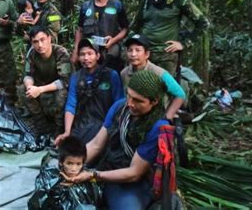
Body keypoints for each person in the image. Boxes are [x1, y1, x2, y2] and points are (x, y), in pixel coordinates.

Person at [62, 70, 171, 209]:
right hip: (109, 166)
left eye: (138, 100)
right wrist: (72, 165)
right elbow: (96, 145)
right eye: (129, 96)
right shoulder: (120, 107)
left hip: (133, 181)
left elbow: (134, 173)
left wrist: (93, 175)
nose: (130, 103)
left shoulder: (158, 127)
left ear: (154, 101)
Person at [130, 0, 209, 75]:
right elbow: (135, 27)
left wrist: (184, 43)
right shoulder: (146, 1)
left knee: (164, 89)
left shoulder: (179, 0)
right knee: (140, 88)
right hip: (145, 55)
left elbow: (203, 23)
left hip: (166, 56)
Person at [55, 38, 124, 145]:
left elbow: (119, 103)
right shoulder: (76, 77)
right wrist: (67, 131)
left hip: (104, 125)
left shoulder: (111, 75)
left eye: (90, 53)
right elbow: (71, 105)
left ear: (97, 56)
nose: (86, 58)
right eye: (82, 54)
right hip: (82, 125)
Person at [71, 0, 129, 72]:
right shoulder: (86, 7)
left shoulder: (116, 6)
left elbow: (125, 29)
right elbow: (80, 29)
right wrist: (76, 50)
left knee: (111, 78)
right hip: (90, 53)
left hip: (111, 51)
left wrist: (113, 40)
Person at [121, 34, 186, 120]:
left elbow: (180, 94)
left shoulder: (159, 73)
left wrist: (168, 116)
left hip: (156, 116)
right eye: (130, 50)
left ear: (147, 54)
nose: (133, 54)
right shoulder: (124, 73)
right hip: (134, 114)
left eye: (137, 50)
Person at [28, 136, 103, 209]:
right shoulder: (49, 178)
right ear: (61, 162)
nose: (74, 169)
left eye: (78, 164)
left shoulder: (88, 178)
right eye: (69, 163)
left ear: (83, 163)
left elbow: (96, 200)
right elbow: (37, 203)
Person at [22, 26, 71, 136]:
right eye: (35, 42)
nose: (40, 45)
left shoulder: (60, 52)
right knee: (24, 91)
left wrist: (39, 89)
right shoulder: (32, 54)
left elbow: (65, 81)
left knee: (62, 94)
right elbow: (27, 75)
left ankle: (60, 129)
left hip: (57, 87)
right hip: (41, 86)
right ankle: (42, 126)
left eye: (42, 40)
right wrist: (30, 87)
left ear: (49, 38)